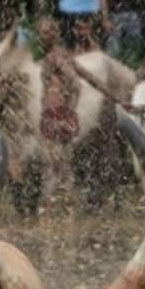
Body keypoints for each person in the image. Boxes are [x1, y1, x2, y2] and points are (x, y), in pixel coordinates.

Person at [33, 16, 81, 204]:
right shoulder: (53, 55)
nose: (43, 36)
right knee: (59, 162)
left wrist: (67, 112)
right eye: (40, 33)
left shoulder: (57, 56)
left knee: (53, 162)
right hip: (51, 113)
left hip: (58, 113)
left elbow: (76, 85)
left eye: (46, 32)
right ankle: (63, 204)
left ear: (55, 33)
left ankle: (51, 203)